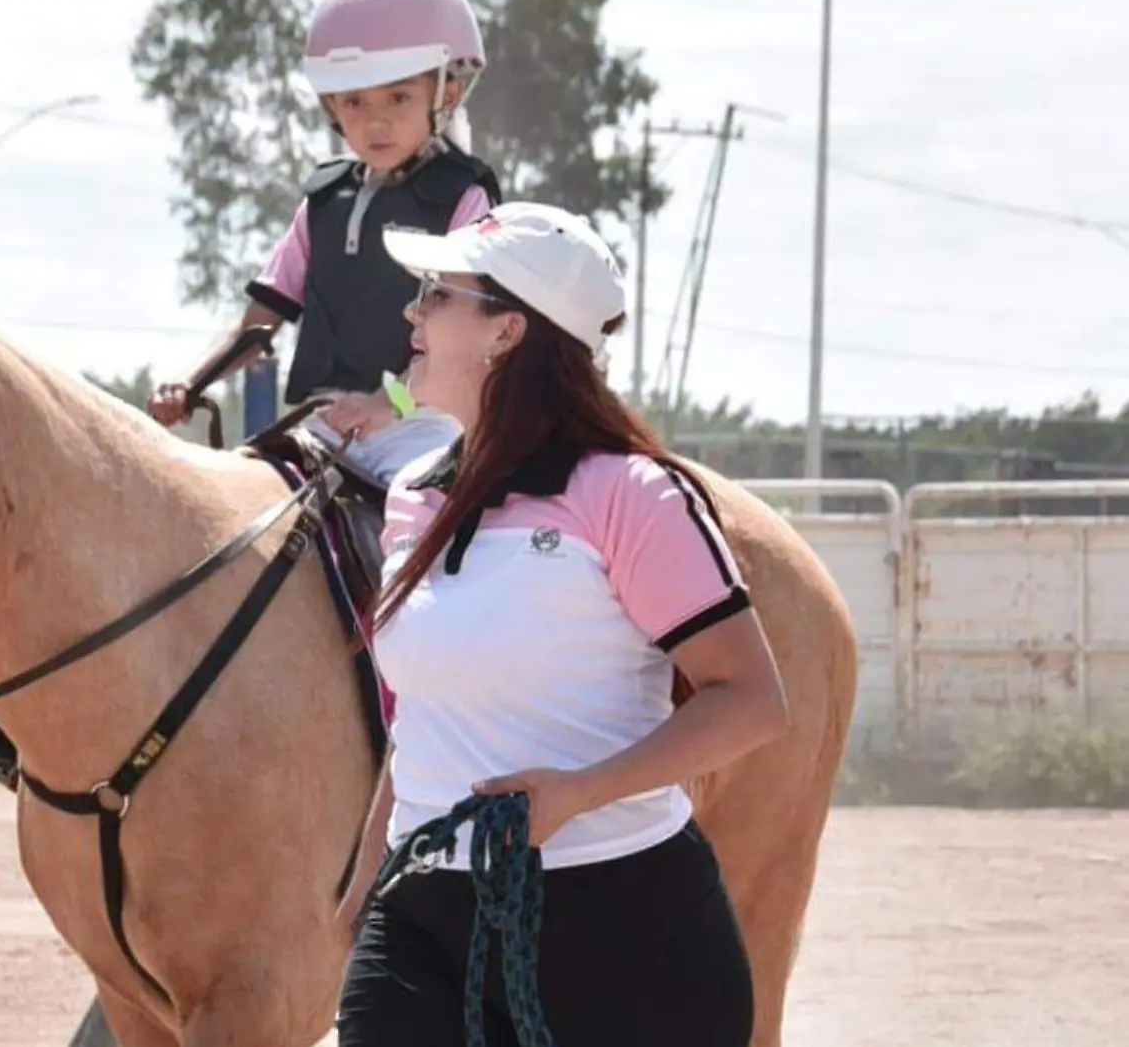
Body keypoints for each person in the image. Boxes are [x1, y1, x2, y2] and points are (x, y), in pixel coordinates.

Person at [335, 201, 792, 1045]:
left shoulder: (631, 495)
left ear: (507, 331)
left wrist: (583, 792)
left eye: (436, 294)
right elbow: (422, 723)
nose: (412, 314)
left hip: (623, 934)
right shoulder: (413, 498)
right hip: (422, 921)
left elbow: (752, 700)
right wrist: (366, 887)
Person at [147, 0, 504, 484]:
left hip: (418, 429)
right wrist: (190, 380)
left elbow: (462, 343)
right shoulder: (324, 198)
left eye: (399, 96)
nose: (374, 120)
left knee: (422, 531)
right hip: (316, 425)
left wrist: (387, 403)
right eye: (354, 101)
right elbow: (260, 321)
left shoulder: (466, 198)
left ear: (447, 93)